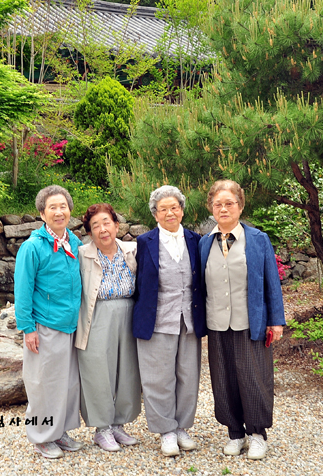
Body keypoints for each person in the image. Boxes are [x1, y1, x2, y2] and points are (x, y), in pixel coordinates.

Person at [198, 180, 286, 460]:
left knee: (253, 378)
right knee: (223, 380)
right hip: (217, 323)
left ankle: (257, 434)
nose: (223, 209)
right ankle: (235, 433)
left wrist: (276, 320)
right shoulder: (204, 243)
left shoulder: (257, 239)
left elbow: (271, 282)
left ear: (240, 205)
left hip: (250, 322)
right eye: (218, 204)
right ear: (211, 208)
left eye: (229, 203)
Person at [132, 185, 206, 457]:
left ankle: (182, 427)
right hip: (157, 319)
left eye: (174, 207)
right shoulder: (144, 242)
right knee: (158, 378)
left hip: (189, 319)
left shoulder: (195, 240)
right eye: (163, 209)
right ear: (155, 214)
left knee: (188, 376)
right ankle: (166, 430)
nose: (169, 213)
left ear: (182, 210)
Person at [14, 185, 84, 459]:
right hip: (45, 325)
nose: (59, 212)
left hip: (71, 325)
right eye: (52, 207)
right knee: (42, 384)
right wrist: (28, 328)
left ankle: (60, 431)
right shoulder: (32, 247)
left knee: (67, 383)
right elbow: (22, 290)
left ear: (70, 210)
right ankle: (41, 437)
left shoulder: (74, 242)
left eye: (63, 206)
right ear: (42, 214)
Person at [76, 203, 141, 452]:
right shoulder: (82, 254)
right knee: (97, 371)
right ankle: (102, 428)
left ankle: (118, 424)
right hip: (97, 313)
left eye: (106, 223)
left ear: (116, 225)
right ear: (89, 232)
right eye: (95, 226)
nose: (102, 229)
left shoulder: (132, 250)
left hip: (128, 312)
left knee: (127, 370)